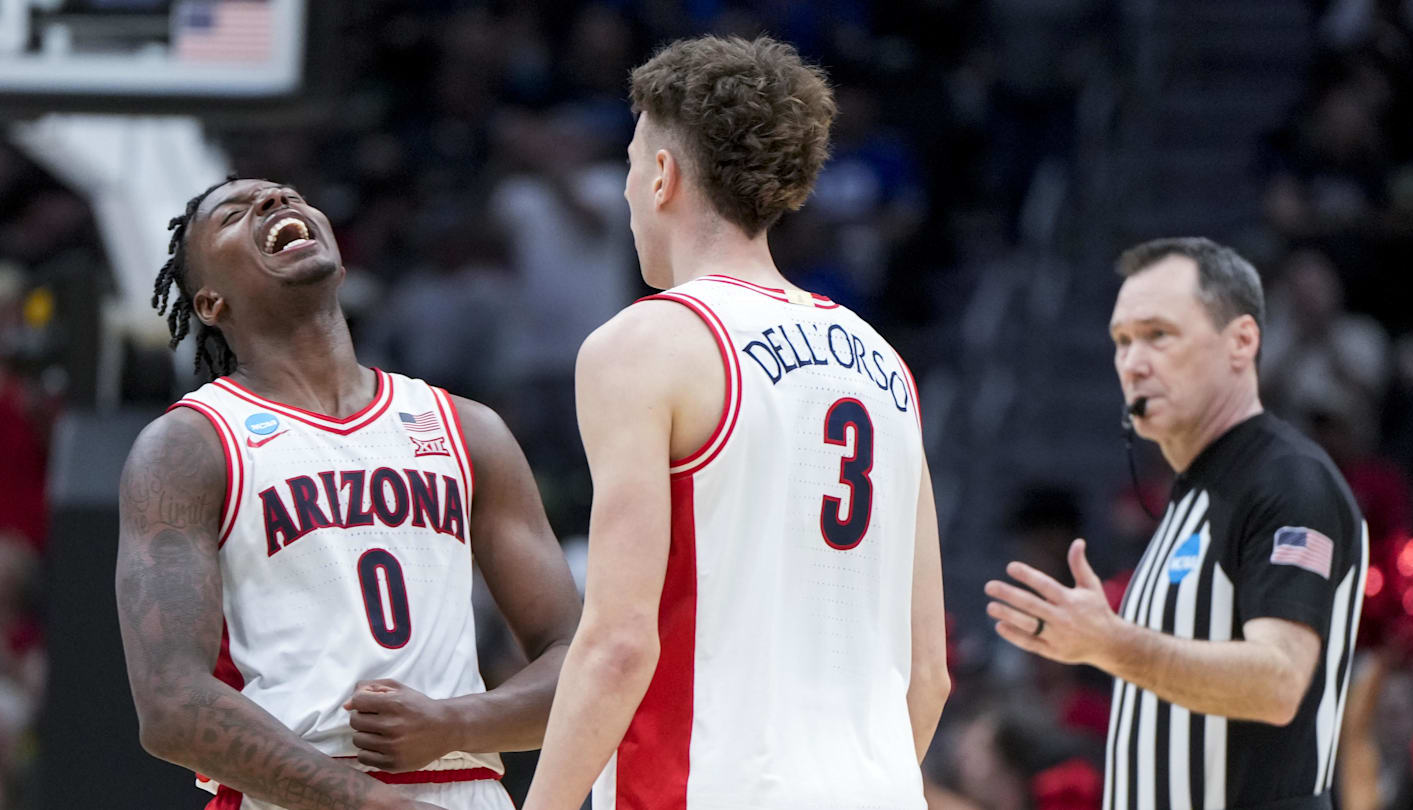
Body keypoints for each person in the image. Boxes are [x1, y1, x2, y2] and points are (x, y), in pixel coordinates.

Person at [522, 35, 951, 810]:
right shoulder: (883, 360)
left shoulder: (646, 344)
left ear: (662, 176)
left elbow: (618, 645)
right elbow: (929, 673)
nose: (624, 193)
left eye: (628, 164)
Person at [115, 178, 583, 810]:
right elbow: (171, 705)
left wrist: (459, 723)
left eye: (287, 195)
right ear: (209, 303)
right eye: (233, 215)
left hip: (463, 780)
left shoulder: (467, 428)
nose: (275, 203)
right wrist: (369, 803)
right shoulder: (188, 445)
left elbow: (580, 658)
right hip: (296, 792)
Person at [985, 237, 1368, 810]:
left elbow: (1278, 682)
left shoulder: (1287, 480)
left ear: (1241, 342)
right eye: (1122, 341)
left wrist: (1113, 645)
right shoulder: (1191, 496)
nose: (1133, 363)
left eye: (1159, 335)